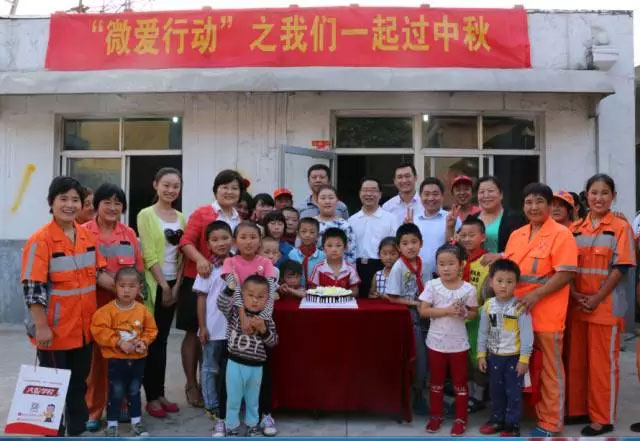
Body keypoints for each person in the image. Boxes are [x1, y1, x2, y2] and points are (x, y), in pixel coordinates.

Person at [20, 176, 114, 436]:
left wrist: (123, 290)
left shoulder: (86, 236)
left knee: (77, 386)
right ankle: (51, 433)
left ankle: (76, 431)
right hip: (54, 333)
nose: (70, 205)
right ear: (52, 202)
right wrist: (41, 327)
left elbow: (98, 273)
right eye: (63, 199)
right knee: (51, 390)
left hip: (83, 330)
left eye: (75, 200)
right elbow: (33, 288)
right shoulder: (40, 240)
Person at [503, 182, 578, 436]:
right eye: (528, 202)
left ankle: (550, 422)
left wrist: (536, 295)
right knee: (517, 365)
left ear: (549, 205)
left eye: (539, 202)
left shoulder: (561, 234)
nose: (533, 207)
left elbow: (566, 273)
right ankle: (520, 414)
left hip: (547, 313)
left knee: (549, 369)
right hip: (516, 311)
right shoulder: (517, 234)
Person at [565, 174, 636, 436]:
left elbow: (621, 268)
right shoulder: (574, 229)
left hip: (605, 306)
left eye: (605, 192)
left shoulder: (620, 227)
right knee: (577, 362)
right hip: (577, 305)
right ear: (586, 195)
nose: (599, 198)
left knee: (602, 365)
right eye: (594, 192)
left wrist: (596, 297)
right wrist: (575, 294)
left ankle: (602, 418)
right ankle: (579, 410)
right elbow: (566, 266)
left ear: (613, 197)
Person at [179, 169, 245, 408]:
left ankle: (217, 389)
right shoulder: (202, 212)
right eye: (224, 187)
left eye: (234, 188)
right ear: (216, 190)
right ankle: (191, 384)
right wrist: (200, 260)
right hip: (200, 279)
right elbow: (185, 241)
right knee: (194, 332)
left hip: (227, 283)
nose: (229, 192)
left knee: (221, 336)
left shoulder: (239, 218)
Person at [84, 183, 144, 431]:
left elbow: (138, 269)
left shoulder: (128, 234)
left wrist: (136, 301)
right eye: (107, 202)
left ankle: (121, 405)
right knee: (96, 360)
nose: (112, 207)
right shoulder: (83, 232)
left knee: (122, 357)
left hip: (124, 308)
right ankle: (93, 409)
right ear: (96, 205)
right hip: (93, 305)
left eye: (117, 203)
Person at [220, 221, 278, 436]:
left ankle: (263, 416)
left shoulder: (266, 263)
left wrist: (261, 321)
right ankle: (226, 420)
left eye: (253, 237)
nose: (248, 241)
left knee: (262, 375)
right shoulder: (230, 262)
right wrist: (244, 317)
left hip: (261, 318)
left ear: (260, 241)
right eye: (243, 237)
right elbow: (235, 290)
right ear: (235, 241)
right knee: (229, 378)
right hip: (237, 318)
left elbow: (269, 295)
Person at [137, 167, 185, 418]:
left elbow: (183, 254)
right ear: (156, 185)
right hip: (154, 285)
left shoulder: (182, 217)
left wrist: (176, 287)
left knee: (163, 341)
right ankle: (151, 397)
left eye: (175, 186)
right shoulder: (146, 214)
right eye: (166, 185)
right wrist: (164, 286)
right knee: (150, 340)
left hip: (174, 284)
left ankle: (161, 392)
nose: (170, 190)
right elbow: (148, 254)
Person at [90, 267, 158, 437]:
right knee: (116, 391)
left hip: (138, 360)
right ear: (115, 287)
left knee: (135, 391)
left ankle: (136, 422)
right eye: (122, 286)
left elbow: (151, 330)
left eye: (132, 286)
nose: (127, 290)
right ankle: (112, 425)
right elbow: (98, 329)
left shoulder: (142, 310)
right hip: (116, 360)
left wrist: (143, 342)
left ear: (139, 288)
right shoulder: (106, 311)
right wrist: (119, 342)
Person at [419, 243, 478, 436]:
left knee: (460, 383)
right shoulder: (432, 285)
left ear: (461, 264)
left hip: (458, 345)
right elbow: (424, 311)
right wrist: (447, 311)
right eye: (441, 264)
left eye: (451, 263)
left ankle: (461, 419)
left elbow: (474, 313)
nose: (445, 268)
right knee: (436, 382)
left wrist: (464, 313)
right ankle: (436, 416)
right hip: (436, 343)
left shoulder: (468, 289)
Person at [477, 259, 533, 437]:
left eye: (509, 282)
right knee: (496, 391)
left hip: (513, 359)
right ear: (491, 282)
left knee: (513, 392)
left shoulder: (520, 307)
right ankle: (496, 420)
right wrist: (481, 355)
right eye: (499, 281)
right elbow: (483, 332)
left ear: (516, 284)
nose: (504, 286)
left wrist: (524, 359)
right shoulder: (488, 306)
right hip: (494, 357)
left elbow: (527, 336)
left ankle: (512, 425)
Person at [386, 223, 430, 416]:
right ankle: (415, 395)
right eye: (405, 243)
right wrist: (415, 304)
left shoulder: (425, 265)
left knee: (427, 356)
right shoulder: (398, 267)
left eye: (414, 242)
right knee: (417, 356)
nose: (410, 247)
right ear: (398, 247)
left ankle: (423, 392)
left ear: (421, 243)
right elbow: (392, 297)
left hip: (426, 314)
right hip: (409, 317)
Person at [194, 221, 233, 434]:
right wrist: (202, 326)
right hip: (213, 329)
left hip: (234, 330)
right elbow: (201, 299)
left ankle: (229, 402)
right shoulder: (207, 269)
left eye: (225, 238)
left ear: (232, 240)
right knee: (210, 368)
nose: (221, 243)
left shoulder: (237, 265)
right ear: (208, 244)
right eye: (215, 240)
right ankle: (211, 404)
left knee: (230, 369)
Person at [457, 217, 490, 414]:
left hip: (480, 318)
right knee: (463, 357)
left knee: (478, 357)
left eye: (472, 235)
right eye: (463, 235)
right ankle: (467, 393)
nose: (467, 239)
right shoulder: (457, 260)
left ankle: (478, 396)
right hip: (458, 317)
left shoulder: (488, 261)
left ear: (483, 237)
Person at [349, 177, 398, 298]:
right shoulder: (351, 220)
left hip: (382, 267)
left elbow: (396, 248)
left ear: (380, 194)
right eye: (365, 190)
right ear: (360, 193)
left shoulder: (391, 219)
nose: (369, 194)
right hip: (356, 269)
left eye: (373, 190)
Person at [412, 177, 461, 277]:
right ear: (420, 197)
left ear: (442, 196)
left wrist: (450, 228)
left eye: (435, 194)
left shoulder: (452, 218)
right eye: (426, 194)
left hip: (445, 276)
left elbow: (456, 248)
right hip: (416, 276)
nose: (431, 198)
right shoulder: (413, 220)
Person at [470, 176, 526, 257]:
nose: (486, 195)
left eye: (490, 191)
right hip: (475, 265)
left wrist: (500, 256)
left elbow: (522, 247)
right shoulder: (472, 219)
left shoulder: (515, 218)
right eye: (481, 192)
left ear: (501, 195)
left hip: (504, 264)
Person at [308, 228, 360, 296]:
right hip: (323, 302)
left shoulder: (351, 268)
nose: (334, 249)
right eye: (329, 246)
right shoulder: (318, 268)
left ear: (345, 248)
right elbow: (312, 290)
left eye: (338, 246)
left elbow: (355, 291)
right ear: (323, 249)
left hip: (345, 302)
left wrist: (342, 295)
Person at [315, 185, 356, 263]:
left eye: (331, 198)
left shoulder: (345, 226)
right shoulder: (310, 224)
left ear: (337, 201)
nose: (327, 201)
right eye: (323, 198)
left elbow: (351, 254)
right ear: (317, 201)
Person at [288, 217, 326, 288]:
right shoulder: (292, 254)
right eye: (303, 231)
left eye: (312, 232)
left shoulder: (323, 256)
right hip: (295, 290)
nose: (307, 235)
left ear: (318, 235)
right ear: (298, 234)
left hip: (317, 291)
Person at [383, 163, 423, 227]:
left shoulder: (425, 204)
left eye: (407, 176)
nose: (404, 180)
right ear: (394, 181)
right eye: (400, 177)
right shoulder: (387, 207)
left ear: (415, 178)